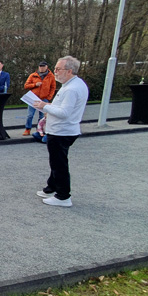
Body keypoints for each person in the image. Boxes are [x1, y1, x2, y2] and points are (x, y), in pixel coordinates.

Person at [33, 56, 89, 207]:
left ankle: (63, 196)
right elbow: (61, 107)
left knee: (59, 164)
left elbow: (64, 112)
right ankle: (51, 187)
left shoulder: (71, 89)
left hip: (62, 131)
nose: (55, 72)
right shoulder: (72, 84)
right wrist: (48, 108)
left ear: (69, 71)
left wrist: (45, 106)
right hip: (63, 129)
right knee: (56, 161)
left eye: (58, 69)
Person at [23, 61, 57, 135]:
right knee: (30, 115)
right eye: (40, 66)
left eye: (43, 66)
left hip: (44, 98)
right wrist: (35, 84)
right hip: (33, 98)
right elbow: (26, 86)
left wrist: (49, 97)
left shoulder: (51, 76)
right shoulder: (33, 75)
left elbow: (53, 87)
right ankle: (27, 129)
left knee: (42, 116)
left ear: (46, 67)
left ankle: (39, 130)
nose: (41, 68)